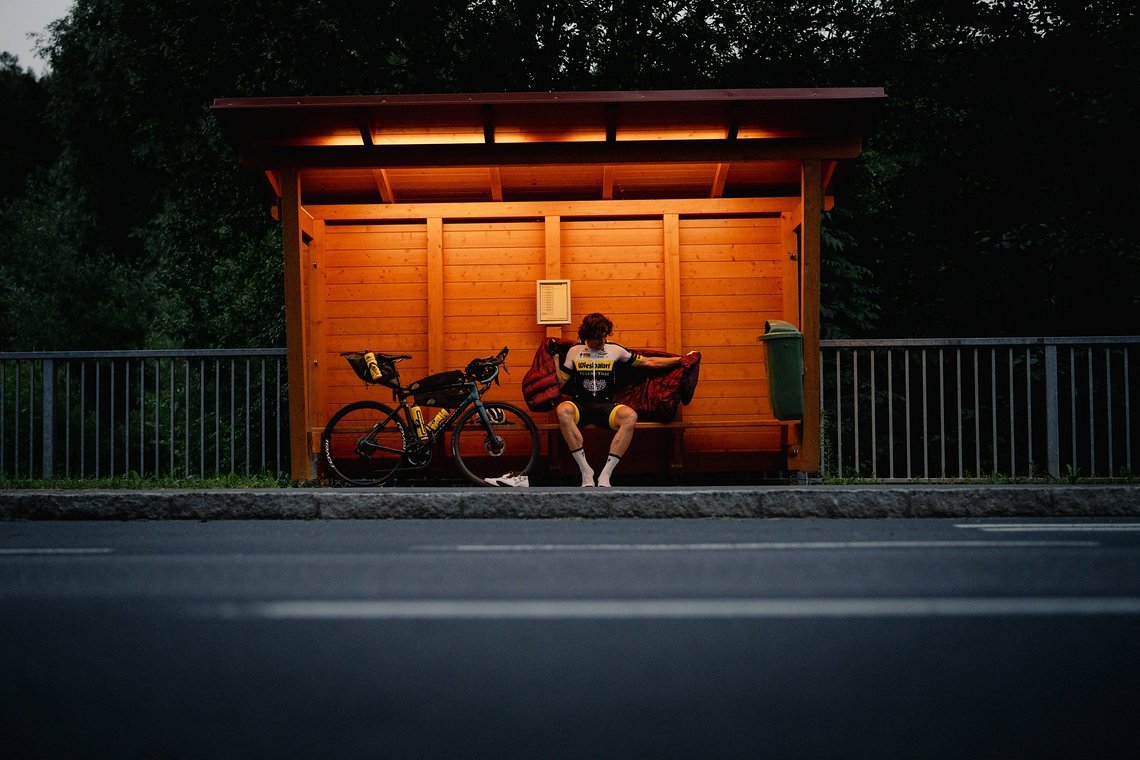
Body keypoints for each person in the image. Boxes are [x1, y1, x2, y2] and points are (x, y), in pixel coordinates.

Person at [557, 312, 686, 487]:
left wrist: (681, 360)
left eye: (604, 337)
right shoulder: (574, 351)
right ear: (586, 336)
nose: (601, 342)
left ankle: (605, 475)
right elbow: (562, 383)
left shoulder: (615, 350)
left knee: (630, 416)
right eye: (597, 339)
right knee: (563, 411)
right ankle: (586, 471)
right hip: (581, 405)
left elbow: (648, 363)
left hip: (606, 406)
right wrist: (555, 360)